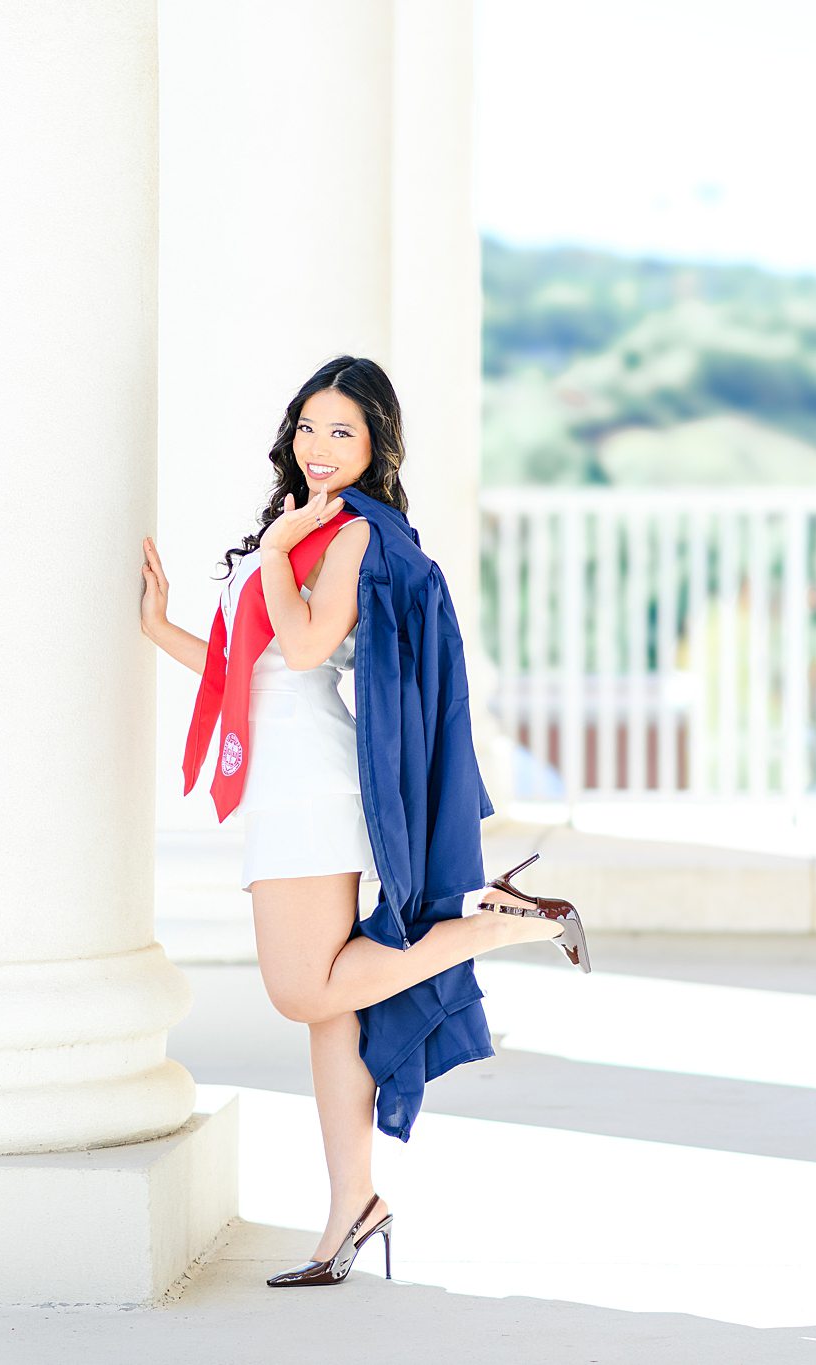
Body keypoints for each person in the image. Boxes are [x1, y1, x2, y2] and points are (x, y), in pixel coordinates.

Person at [139, 355, 586, 1288]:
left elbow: (303, 646)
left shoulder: (342, 537)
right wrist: (160, 627)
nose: (320, 446)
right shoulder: (296, 528)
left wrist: (273, 553)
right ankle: (354, 1204)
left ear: (376, 444)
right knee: (330, 1009)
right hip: (282, 775)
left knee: (303, 990)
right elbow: (247, 676)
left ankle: (497, 925)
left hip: (312, 782)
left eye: (342, 431)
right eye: (308, 427)